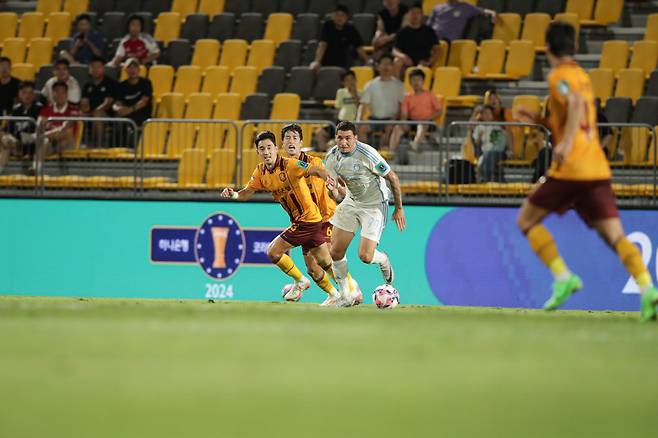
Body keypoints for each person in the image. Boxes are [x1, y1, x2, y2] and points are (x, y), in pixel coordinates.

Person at [515, 22, 658, 321]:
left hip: (571, 169)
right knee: (614, 235)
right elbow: (575, 111)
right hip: (596, 168)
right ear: (575, 47)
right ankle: (647, 289)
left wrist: (565, 143)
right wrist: (540, 118)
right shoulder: (582, 75)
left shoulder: (559, 77)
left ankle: (563, 276)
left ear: (546, 48)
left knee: (526, 220)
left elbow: (576, 104)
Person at [220, 130, 343, 307]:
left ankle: (301, 282)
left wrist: (330, 181)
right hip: (307, 221)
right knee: (321, 264)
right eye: (262, 149)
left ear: (276, 149)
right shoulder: (260, 172)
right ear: (258, 152)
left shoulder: (291, 164)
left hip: (307, 220)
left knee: (273, 251)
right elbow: (246, 193)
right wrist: (233, 195)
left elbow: (315, 168)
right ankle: (341, 293)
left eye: (269, 147)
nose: (266, 152)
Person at [324, 121, 406, 306]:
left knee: (365, 257)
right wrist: (333, 191)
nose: (343, 142)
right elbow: (335, 193)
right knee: (335, 252)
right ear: (335, 138)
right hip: (351, 201)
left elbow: (392, 177)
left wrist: (399, 208)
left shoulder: (367, 154)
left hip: (375, 205)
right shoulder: (331, 157)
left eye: (348, 138)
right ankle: (346, 296)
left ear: (355, 138)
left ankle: (383, 258)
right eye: (340, 138)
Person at [280, 124, 359, 302]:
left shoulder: (313, 162)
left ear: (301, 142)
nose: (291, 141)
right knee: (312, 269)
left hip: (325, 218)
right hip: (305, 222)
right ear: (282, 144)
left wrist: (339, 190)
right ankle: (335, 294)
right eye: (287, 138)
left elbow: (328, 180)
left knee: (330, 257)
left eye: (294, 138)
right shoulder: (282, 169)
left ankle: (352, 290)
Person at [357, 53, 405, 149]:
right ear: (378, 66)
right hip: (374, 119)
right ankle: (365, 153)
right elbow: (363, 105)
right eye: (383, 64)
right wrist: (359, 120)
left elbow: (401, 106)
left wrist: (395, 119)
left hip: (391, 119)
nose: (386, 67)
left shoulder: (399, 85)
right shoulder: (370, 84)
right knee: (361, 128)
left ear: (392, 66)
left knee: (389, 129)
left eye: (389, 64)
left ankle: (384, 155)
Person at [389, 68, 442, 152]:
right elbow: (404, 114)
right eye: (414, 80)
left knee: (422, 125)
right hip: (412, 122)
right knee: (398, 127)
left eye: (419, 80)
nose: (416, 82)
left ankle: (415, 144)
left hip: (428, 122)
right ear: (410, 82)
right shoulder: (407, 97)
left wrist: (428, 118)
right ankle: (391, 151)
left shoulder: (430, 95)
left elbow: (439, 110)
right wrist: (403, 122)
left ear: (423, 81)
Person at [35, 81, 80, 173]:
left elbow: (66, 127)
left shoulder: (73, 110)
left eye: (62, 92)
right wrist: (41, 126)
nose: (60, 95)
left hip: (69, 144)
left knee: (66, 132)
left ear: (67, 94)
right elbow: (39, 125)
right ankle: (36, 169)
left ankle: (33, 138)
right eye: (57, 92)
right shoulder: (46, 110)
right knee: (45, 142)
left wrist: (42, 134)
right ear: (52, 94)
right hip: (52, 145)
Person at [310, 4, 369, 71]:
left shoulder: (350, 29)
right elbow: (323, 44)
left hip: (342, 63)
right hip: (325, 61)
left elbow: (359, 47)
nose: (339, 18)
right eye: (337, 15)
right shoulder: (327, 26)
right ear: (332, 16)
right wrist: (317, 61)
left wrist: (367, 60)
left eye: (343, 15)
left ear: (347, 18)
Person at [0, 82, 43, 173]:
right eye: (24, 92)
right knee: (5, 144)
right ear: (19, 94)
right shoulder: (16, 110)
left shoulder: (40, 109)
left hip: (32, 144)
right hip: (16, 143)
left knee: (6, 144)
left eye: (30, 93)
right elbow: (7, 129)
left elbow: (41, 131)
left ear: (34, 94)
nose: (27, 95)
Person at [316, 70, 360, 151]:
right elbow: (338, 108)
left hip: (353, 123)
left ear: (355, 80)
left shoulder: (360, 93)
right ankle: (325, 153)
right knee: (320, 132)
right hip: (340, 121)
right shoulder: (340, 92)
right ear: (343, 82)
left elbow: (359, 107)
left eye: (352, 79)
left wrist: (354, 93)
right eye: (347, 80)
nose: (350, 82)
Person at [393, 2, 440, 78]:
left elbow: (437, 50)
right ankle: (396, 87)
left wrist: (429, 62)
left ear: (421, 15)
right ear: (408, 15)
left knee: (419, 69)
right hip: (407, 62)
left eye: (417, 13)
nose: (415, 15)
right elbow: (395, 50)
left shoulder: (429, 31)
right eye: (412, 13)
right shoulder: (402, 32)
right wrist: (403, 57)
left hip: (423, 63)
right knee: (397, 61)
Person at [81, 57, 118, 148]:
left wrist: (93, 113)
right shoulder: (87, 85)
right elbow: (84, 103)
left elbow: (108, 103)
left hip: (108, 116)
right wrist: (84, 110)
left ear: (103, 69)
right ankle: (77, 147)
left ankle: (97, 146)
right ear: (89, 69)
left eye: (98, 67)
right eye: (93, 67)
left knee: (98, 114)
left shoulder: (110, 83)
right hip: (91, 114)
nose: (95, 70)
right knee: (77, 115)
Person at [427, 0, 495, 42]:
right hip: (432, 39)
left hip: (450, 43)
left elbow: (482, 11)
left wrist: (492, 13)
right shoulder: (437, 8)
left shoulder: (465, 7)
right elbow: (428, 26)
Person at [471, 105, 508, 182]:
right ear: (482, 116)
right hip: (485, 152)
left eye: (489, 113)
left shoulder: (498, 127)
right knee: (488, 155)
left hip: (498, 152)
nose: (487, 115)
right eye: (485, 113)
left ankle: (484, 179)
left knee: (489, 154)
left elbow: (504, 141)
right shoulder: (479, 127)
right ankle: (486, 179)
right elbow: (476, 143)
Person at [113, 58, 152, 129]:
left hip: (141, 114)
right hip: (125, 114)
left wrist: (130, 109)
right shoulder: (121, 85)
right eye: (129, 67)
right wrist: (118, 108)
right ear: (125, 70)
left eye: (135, 67)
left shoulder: (146, 83)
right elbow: (117, 102)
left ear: (139, 69)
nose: (132, 70)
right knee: (116, 119)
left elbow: (144, 101)